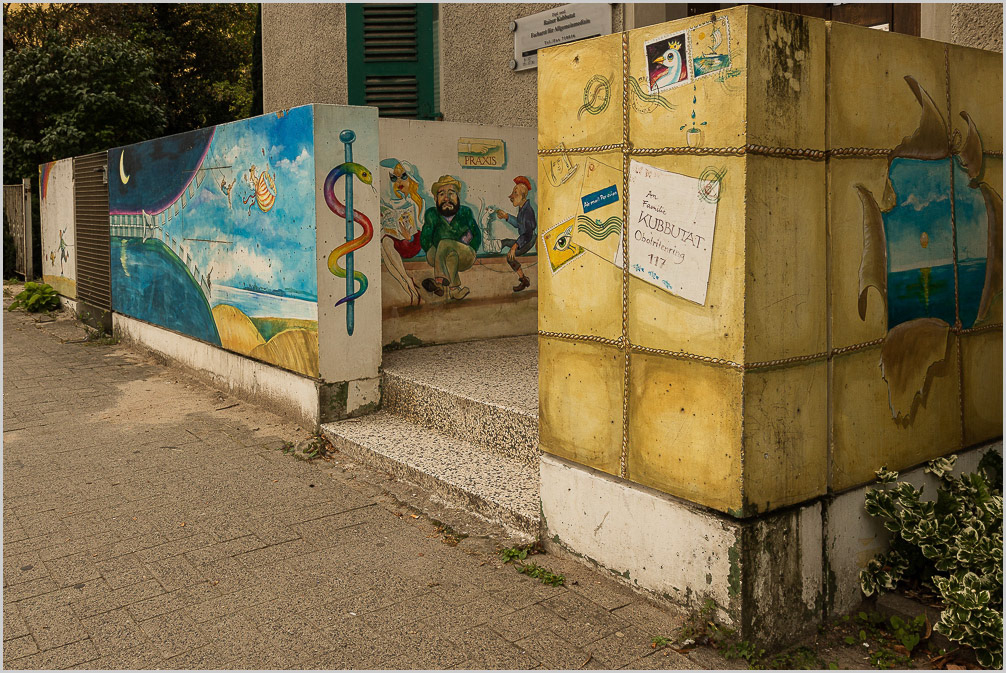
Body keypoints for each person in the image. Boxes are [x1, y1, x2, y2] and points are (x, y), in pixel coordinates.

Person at [421, 175, 481, 300]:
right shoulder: (431, 214)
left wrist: (468, 248)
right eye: (442, 194)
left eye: (451, 193)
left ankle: (439, 283)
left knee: (445, 244)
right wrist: (438, 252)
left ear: (458, 196)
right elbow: (425, 239)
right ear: (435, 198)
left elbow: (476, 235)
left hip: (464, 255)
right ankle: (454, 290)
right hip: (437, 256)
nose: (446, 198)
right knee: (450, 255)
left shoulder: (465, 212)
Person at [379, 158, 424, 305]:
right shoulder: (389, 202)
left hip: (412, 241)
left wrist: (409, 236)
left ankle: (409, 285)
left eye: (403, 176)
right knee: (385, 242)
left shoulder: (416, 202)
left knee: (386, 243)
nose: (399, 181)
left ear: (410, 178)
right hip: (395, 239)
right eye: (394, 178)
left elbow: (421, 226)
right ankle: (407, 284)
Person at [495, 176, 537, 292]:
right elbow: (519, 224)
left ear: (523, 196)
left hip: (528, 240)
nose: (511, 196)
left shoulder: (527, 211)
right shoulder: (523, 208)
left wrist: (514, 247)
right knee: (505, 242)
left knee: (510, 257)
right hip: (524, 238)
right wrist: (507, 217)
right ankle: (494, 248)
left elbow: (527, 234)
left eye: (515, 193)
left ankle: (524, 280)